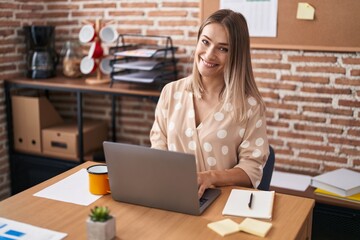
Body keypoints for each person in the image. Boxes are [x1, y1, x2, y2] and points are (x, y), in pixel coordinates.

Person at [150, 9, 269, 198]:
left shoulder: (250, 106)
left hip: (221, 203)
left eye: (223, 48)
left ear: (236, 55)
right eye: (205, 42)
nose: (209, 54)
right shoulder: (170, 92)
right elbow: (158, 149)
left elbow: (251, 170)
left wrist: (210, 177)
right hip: (172, 196)